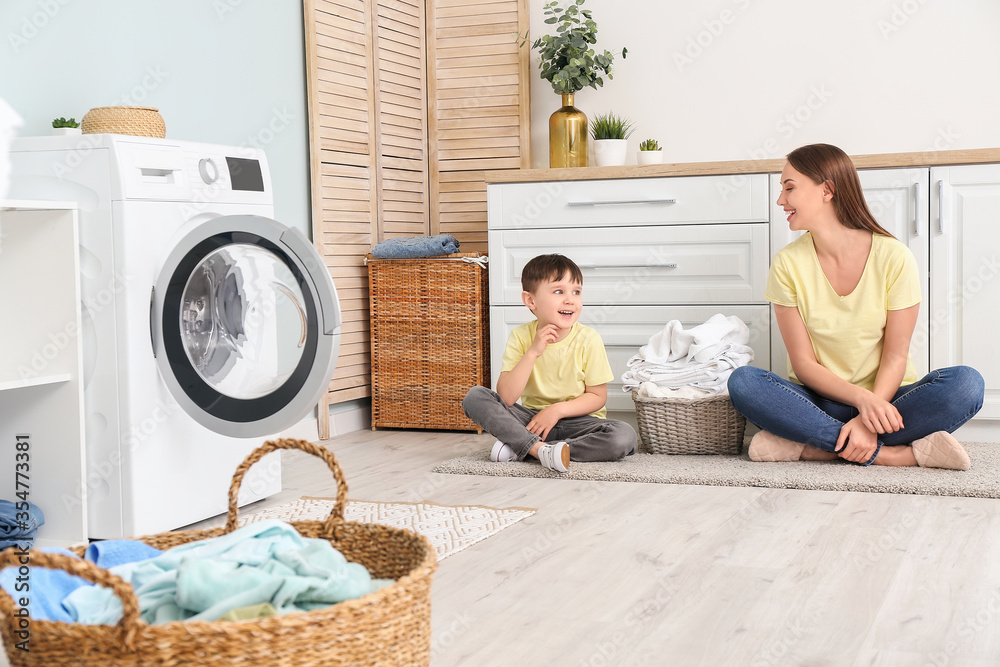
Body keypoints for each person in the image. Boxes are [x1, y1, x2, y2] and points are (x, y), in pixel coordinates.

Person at [728, 143, 984, 469]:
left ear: (827, 190)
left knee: (967, 384)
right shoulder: (786, 264)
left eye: (789, 188)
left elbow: (895, 355)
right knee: (744, 383)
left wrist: (869, 414)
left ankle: (811, 447)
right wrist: (860, 401)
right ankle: (894, 455)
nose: (781, 200)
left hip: (890, 402)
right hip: (819, 402)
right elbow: (804, 365)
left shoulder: (894, 257)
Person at [462, 253, 637, 472]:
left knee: (624, 436)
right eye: (558, 291)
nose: (570, 299)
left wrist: (556, 411)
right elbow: (506, 397)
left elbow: (598, 397)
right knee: (475, 397)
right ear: (530, 300)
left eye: (576, 291)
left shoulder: (588, 338)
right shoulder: (520, 336)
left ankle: (525, 447)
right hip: (532, 420)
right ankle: (538, 449)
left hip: (579, 422)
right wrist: (533, 352)